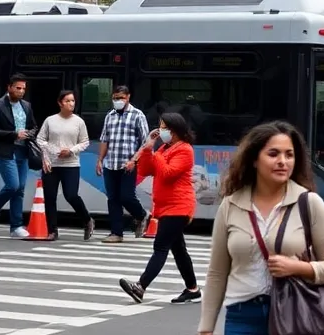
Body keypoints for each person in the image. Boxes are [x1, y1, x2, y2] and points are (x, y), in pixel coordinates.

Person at [198, 121, 324, 335]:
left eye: (289, 155)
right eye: (273, 154)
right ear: (254, 160)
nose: (282, 162)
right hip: (242, 316)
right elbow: (217, 273)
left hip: (295, 313)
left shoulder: (309, 202)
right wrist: (206, 328)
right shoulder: (231, 205)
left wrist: (297, 268)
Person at [119, 112, 201, 304]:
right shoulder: (164, 148)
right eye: (160, 127)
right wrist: (148, 150)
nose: (161, 130)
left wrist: (155, 154)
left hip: (178, 206)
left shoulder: (185, 150)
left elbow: (167, 173)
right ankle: (193, 289)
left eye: (164, 127)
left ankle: (141, 286)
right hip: (165, 206)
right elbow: (147, 170)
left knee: (161, 247)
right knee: (179, 249)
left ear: (175, 130)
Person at [0, 73, 38, 238]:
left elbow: (34, 125)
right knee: (12, 186)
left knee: (19, 189)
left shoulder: (26, 106)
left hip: (23, 151)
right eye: (18, 88)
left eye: (23, 89)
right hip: (6, 151)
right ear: (9, 87)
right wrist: (14, 135)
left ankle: (16, 226)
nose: (21, 91)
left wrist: (29, 133)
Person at [36, 89, 95, 241]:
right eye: (67, 101)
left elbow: (85, 142)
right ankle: (52, 230)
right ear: (60, 103)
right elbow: (40, 140)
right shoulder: (50, 120)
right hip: (52, 164)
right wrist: (54, 151)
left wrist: (71, 150)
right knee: (50, 197)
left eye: (73, 101)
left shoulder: (78, 121)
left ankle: (87, 219)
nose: (71, 103)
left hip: (71, 164)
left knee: (71, 195)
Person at [96, 85, 150, 242]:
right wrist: (100, 159)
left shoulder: (137, 115)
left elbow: (146, 142)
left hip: (128, 164)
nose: (118, 101)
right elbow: (104, 139)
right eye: (115, 98)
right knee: (112, 198)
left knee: (126, 196)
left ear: (128, 97)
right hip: (110, 163)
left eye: (121, 98)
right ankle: (116, 233)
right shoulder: (110, 116)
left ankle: (142, 215)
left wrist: (134, 160)